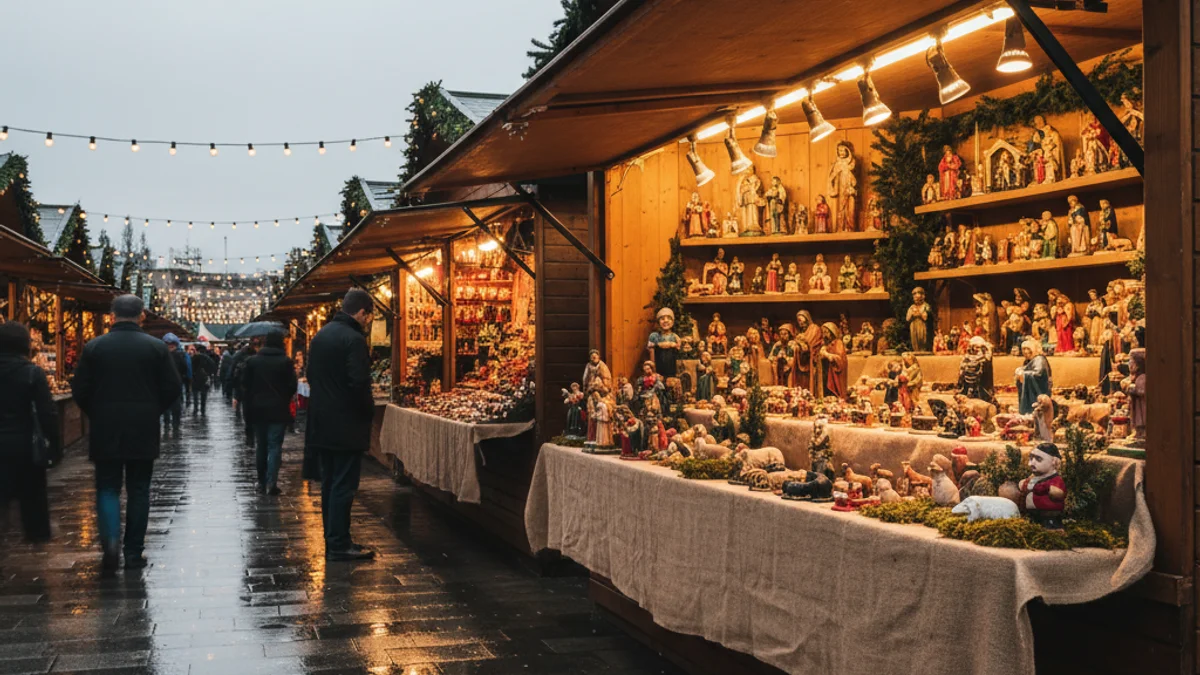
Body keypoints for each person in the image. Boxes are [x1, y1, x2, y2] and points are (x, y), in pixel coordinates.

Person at [71, 295, 181, 575]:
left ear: (112, 315)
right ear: (141, 315)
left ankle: (109, 543)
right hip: (143, 426)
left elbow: (80, 390)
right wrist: (152, 409)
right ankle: (133, 552)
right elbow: (172, 388)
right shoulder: (156, 348)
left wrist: (97, 411)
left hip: (106, 425)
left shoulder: (94, 347)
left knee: (107, 487)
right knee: (139, 489)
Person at [306, 290, 376, 561]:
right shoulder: (354, 340)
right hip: (346, 425)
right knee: (344, 485)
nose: (368, 321)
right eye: (369, 316)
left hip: (322, 423)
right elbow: (359, 384)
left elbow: (313, 376)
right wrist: (367, 412)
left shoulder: (321, 336)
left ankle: (332, 537)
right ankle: (339, 544)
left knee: (330, 483)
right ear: (362, 312)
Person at [0, 322, 59, 542]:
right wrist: (54, 446)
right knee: (31, 492)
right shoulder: (32, 373)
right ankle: (36, 532)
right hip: (24, 445)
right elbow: (47, 413)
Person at [239, 331, 297, 495]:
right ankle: (272, 482)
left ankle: (261, 481)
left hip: (257, 410)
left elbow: (244, 384)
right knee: (274, 446)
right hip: (278, 409)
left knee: (261, 446)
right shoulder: (286, 362)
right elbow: (292, 385)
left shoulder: (253, 361)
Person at [162, 333, 188, 429]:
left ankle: (168, 423)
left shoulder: (162, 355)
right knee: (175, 404)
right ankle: (174, 424)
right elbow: (185, 369)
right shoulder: (181, 355)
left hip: (167, 384)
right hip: (175, 383)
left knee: (169, 405)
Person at [190, 343, 218, 415]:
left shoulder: (194, 357)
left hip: (195, 378)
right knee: (203, 395)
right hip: (204, 379)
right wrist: (209, 374)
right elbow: (213, 366)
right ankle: (203, 410)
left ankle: (195, 409)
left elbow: (191, 368)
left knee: (195, 396)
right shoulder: (207, 358)